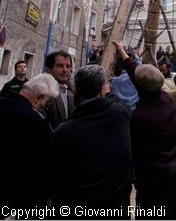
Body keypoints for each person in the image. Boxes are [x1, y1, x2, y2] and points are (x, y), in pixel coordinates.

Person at [113, 40, 176, 220]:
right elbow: (137, 75)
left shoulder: (139, 117)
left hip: (155, 188)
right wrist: (122, 52)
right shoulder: (166, 99)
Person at [48, 64, 134, 219]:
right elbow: (118, 102)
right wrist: (108, 93)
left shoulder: (63, 131)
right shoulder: (120, 115)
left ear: (75, 90)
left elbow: (54, 181)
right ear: (102, 89)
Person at [0, 74, 59, 219]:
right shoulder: (36, 122)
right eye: (47, 102)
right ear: (39, 97)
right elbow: (46, 162)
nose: (45, 108)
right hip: (19, 197)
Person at [44, 50, 75, 129]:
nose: (65, 70)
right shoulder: (43, 93)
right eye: (60, 66)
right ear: (49, 69)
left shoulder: (70, 93)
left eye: (68, 66)